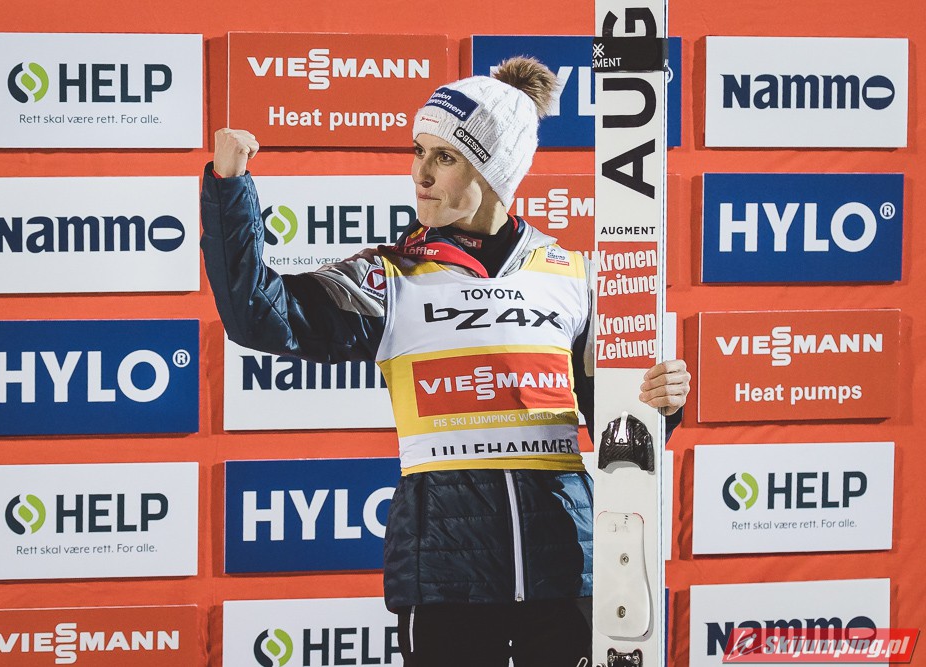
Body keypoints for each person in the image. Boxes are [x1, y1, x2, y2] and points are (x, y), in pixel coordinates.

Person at [201, 56, 690, 667]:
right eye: (418, 152)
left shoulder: (570, 276)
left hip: (566, 566)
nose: (420, 174)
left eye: (445, 157)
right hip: (445, 576)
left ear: (494, 170)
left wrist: (661, 403)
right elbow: (257, 314)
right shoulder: (390, 277)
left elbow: (619, 428)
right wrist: (230, 187)